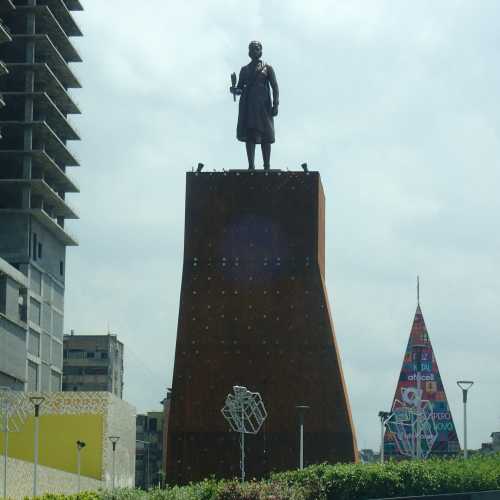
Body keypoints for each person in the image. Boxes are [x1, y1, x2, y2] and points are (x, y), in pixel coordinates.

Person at [230, 41, 279, 170]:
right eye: (251, 49)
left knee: (266, 136)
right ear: (249, 52)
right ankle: (251, 165)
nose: (254, 51)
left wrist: (276, 104)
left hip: (264, 106)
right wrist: (234, 89)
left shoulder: (267, 68)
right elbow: (240, 88)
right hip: (249, 106)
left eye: (256, 48)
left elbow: (275, 86)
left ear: (261, 51)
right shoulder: (244, 70)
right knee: (250, 135)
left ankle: (266, 166)